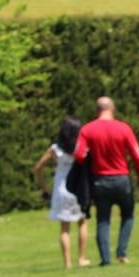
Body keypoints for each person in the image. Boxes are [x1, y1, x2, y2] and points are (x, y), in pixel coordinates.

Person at [75, 96, 139, 266]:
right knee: (128, 215)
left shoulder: (87, 130)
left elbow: (79, 154)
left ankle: (105, 260)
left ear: (96, 110)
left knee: (103, 220)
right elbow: (138, 155)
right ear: (113, 109)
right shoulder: (124, 128)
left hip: (100, 180)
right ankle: (122, 253)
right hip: (122, 179)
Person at [32, 115, 91, 269]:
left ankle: (67, 263)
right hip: (79, 189)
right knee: (82, 222)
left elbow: (38, 167)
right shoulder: (83, 147)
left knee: (64, 228)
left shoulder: (55, 149)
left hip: (61, 190)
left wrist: (43, 186)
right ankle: (82, 258)